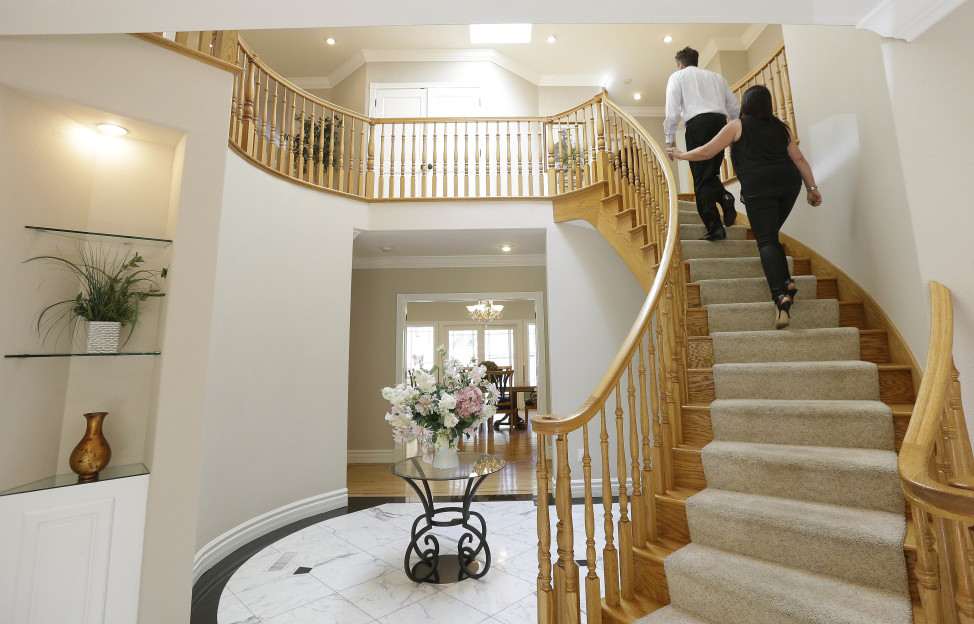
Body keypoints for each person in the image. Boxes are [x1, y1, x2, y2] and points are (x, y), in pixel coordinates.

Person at [667, 84, 823, 329]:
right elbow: (798, 158)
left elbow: (707, 151)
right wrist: (812, 188)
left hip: (760, 187)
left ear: (746, 105)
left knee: (766, 241)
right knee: (770, 236)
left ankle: (780, 296)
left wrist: (680, 154)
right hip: (788, 183)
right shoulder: (782, 128)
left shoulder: (737, 126)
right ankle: (787, 282)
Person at [664, 46, 741, 241]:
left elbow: (671, 111)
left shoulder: (678, 77)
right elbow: (734, 109)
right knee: (710, 173)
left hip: (698, 126)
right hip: (720, 124)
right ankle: (725, 196)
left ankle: (715, 227)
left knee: (701, 178)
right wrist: (737, 134)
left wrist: (670, 141)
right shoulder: (717, 78)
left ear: (680, 65)